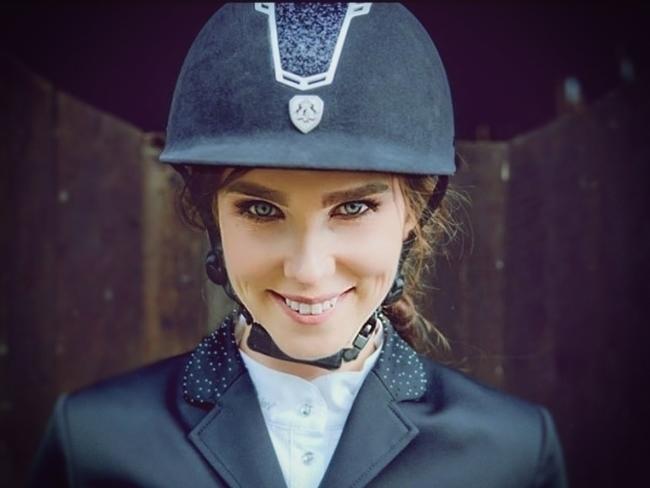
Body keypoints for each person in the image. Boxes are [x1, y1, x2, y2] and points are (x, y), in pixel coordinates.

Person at [30, 3, 568, 487]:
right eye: (261, 210)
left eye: (352, 209)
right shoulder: (93, 442)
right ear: (212, 216)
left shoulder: (514, 455)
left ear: (413, 213)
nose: (309, 270)